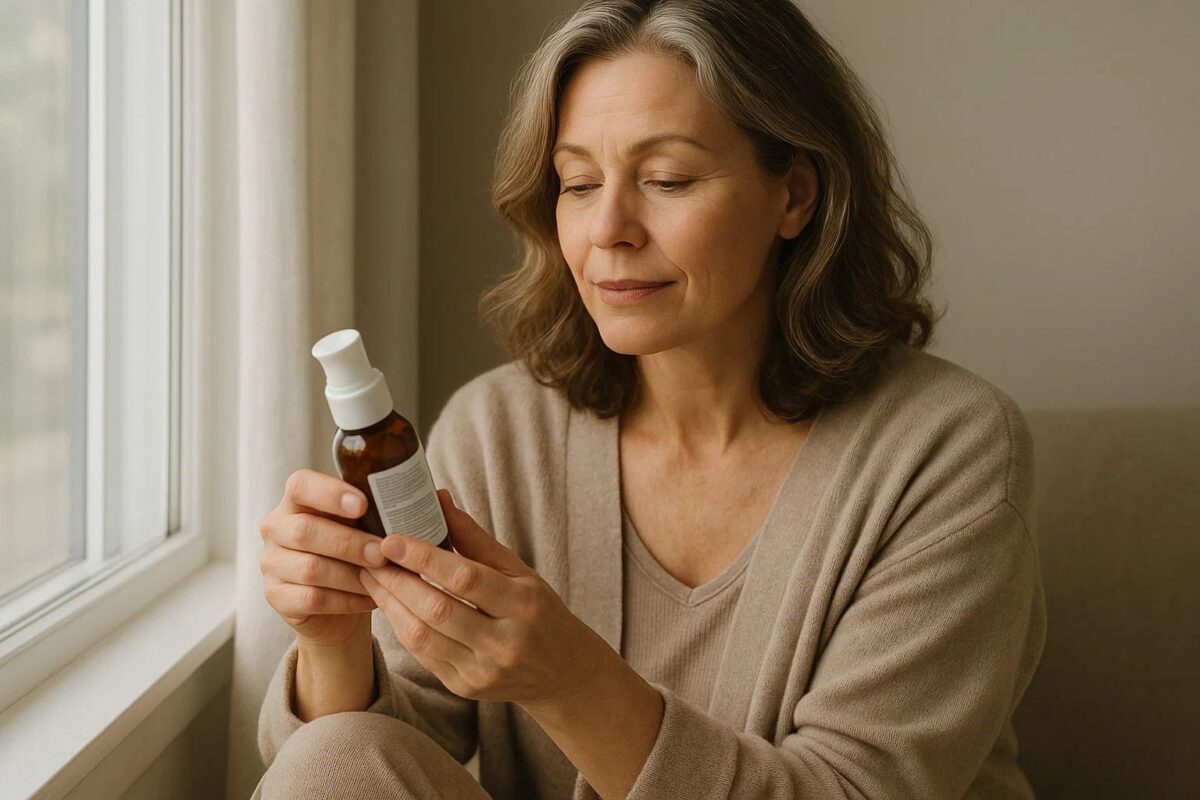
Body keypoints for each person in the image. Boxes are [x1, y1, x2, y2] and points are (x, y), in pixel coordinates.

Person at [254, 1, 1046, 798]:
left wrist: (570, 680)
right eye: (578, 183)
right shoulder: (499, 433)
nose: (609, 230)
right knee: (333, 760)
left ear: (795, 195)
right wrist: (333, 639)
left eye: (667, 179)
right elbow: (389, 755)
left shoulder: (948, 450)